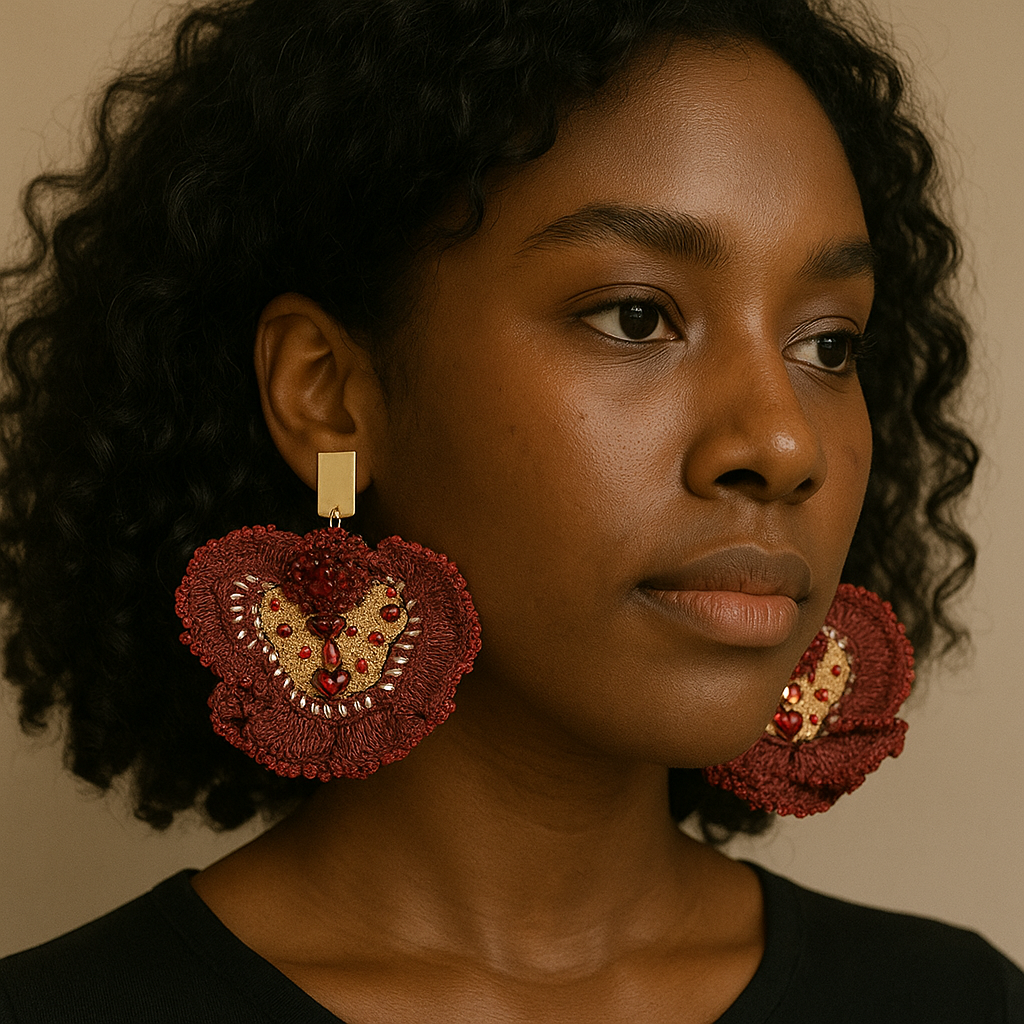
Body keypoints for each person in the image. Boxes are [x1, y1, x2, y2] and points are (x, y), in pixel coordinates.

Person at [0, 0, 1020, 1020]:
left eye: (828, 345)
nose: (784, 443)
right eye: (635, 316)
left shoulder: (958, 1002)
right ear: (329, 395)